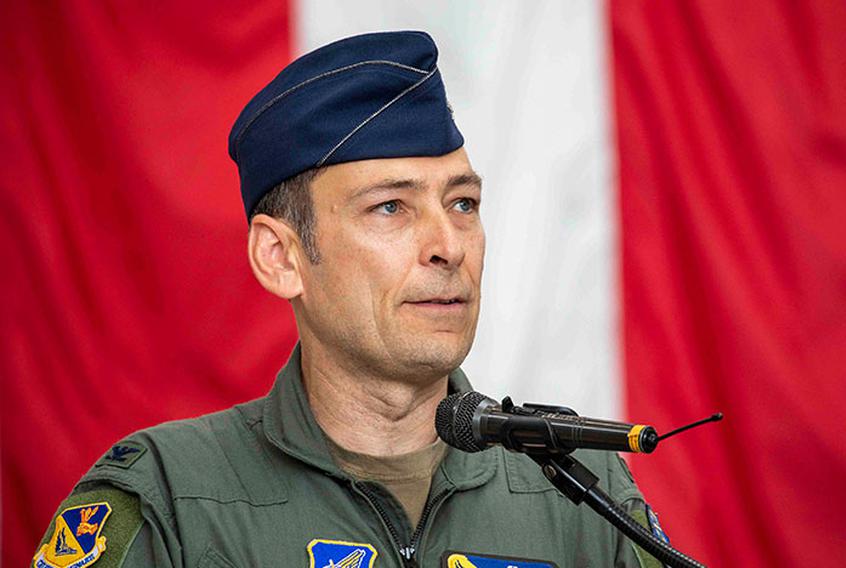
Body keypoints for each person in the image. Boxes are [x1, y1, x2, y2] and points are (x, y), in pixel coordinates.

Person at [33, 31, 667, 568]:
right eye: (390, 207)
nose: (448, 245)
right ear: (280, 257)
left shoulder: (582, 491)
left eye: (462, 204)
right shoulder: (169, 499)